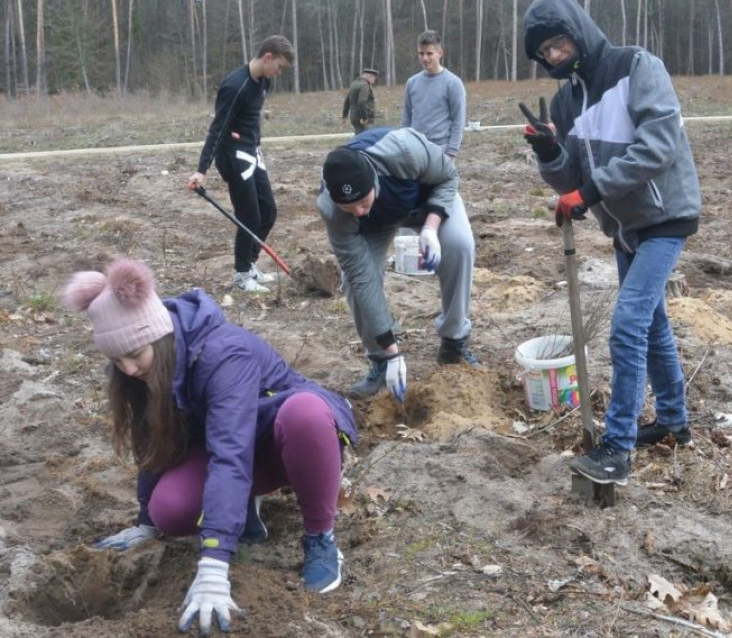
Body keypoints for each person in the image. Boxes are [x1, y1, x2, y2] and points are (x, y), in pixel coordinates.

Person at [62, 258, 357, 634]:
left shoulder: (223, 354)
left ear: (158, 336)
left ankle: (320, 537)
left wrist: (215, 564)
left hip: (282, 436)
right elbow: (153, 439)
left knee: (306, 414)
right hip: (226, 442)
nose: (129, 369)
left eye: (135, 356)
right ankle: (242, 509)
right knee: (169, 511)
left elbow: (231, 455)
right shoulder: (139, 364)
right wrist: (146, 520)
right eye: (117, 360)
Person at [521, 0, 702, 487]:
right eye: (545, 54)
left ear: (578, 31)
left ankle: (617, 448)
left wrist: (590, 190)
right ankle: (673, 421)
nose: (554, 57)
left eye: (558, 44)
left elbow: (658, 147)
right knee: (652, 326)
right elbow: (570, 180)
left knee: (627, 325)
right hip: (623, 228)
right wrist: (551, 152)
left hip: (665, 216)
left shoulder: (637, 66)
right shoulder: (566, 99)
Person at [317, 126, 479, 401]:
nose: (357, 210)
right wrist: (392, 351)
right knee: (353, 283)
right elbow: (362, 276)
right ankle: (380, 361)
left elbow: (449, 177)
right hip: (378, 224)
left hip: (427, 201)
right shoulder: (334, 211)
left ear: (373, 182)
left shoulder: (404, 150)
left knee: (459, 246)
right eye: (349, 207)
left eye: (362, 200)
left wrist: (431, 227)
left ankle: (453, 341)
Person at [187, 35, 295, 294]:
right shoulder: (235, 86)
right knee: (249, 216)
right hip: (233, 156)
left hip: (251, 151)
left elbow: (252, 119)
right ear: (267, 57)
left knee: (268, 211)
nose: (278, 73)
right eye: (278, 66)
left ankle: (251, 263)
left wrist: (256, 144)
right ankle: (241, 274)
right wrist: (202, 170)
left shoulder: (264, 82)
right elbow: (217, 130)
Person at [400, 30, 466, 158]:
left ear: (440, 53)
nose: (425, 58)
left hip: (441, 150)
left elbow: (458, 120)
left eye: (429, 53)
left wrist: (452, 151)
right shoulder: (411, 83)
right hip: (415, 149)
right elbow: (406, 119)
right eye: (421, 53)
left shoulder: (453, 83)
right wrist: (403, 145)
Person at [343, 67, 379, 133]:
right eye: (374, 78)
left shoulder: (354, 84)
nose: (374, 81)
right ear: (370, 77)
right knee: (366, 137)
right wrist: (364, 118)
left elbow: (347, 100)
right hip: (362, 118)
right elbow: (362, 102)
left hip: (353, 117)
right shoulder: (365, 86)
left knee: (359, 135)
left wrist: (344, 116)